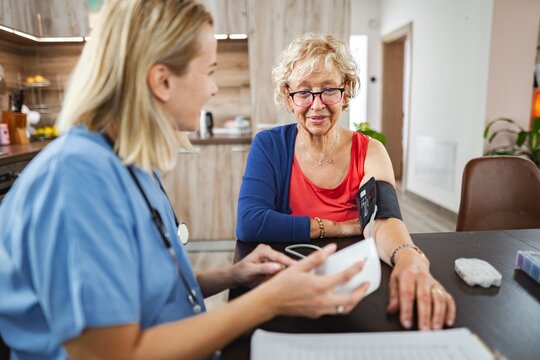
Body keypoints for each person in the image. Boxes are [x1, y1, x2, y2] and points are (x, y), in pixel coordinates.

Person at [0, 2, 371, 359]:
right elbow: (111, 355)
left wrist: (233, 274)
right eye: (209, 71)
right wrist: (269, 300)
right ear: (162, 81)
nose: (213, 89)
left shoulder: (132, 166)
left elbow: (150, 285)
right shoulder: (77, 183)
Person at [236, 33, 456, 331]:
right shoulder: (269, 146)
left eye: (329, 90)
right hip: (291, 285)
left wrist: (408, 258)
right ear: (288, 97)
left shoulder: (370, 151)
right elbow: (250, 223)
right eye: (303, 92)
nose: (316, 105)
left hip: (358, 284)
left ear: (347, 91)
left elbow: (384, 217)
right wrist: (338, 226)